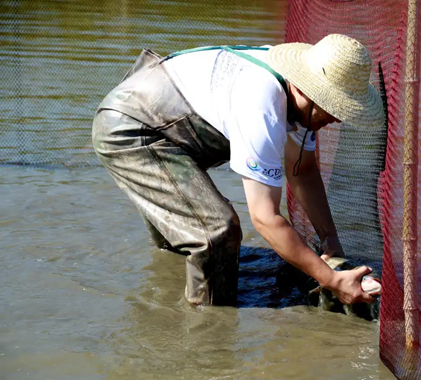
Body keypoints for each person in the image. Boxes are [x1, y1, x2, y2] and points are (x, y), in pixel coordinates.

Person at [92, 33, 384, 307]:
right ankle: (210, 338)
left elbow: (303, 170)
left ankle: (173, 296)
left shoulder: (297, 96)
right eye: (335, 107)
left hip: (167, 121)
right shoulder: (263, 104)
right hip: (131, 128)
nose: (337, 118)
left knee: (182, 238)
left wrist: (330, 240)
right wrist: (331, 279)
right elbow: (265, 218)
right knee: (215, 232)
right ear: (307, 90)